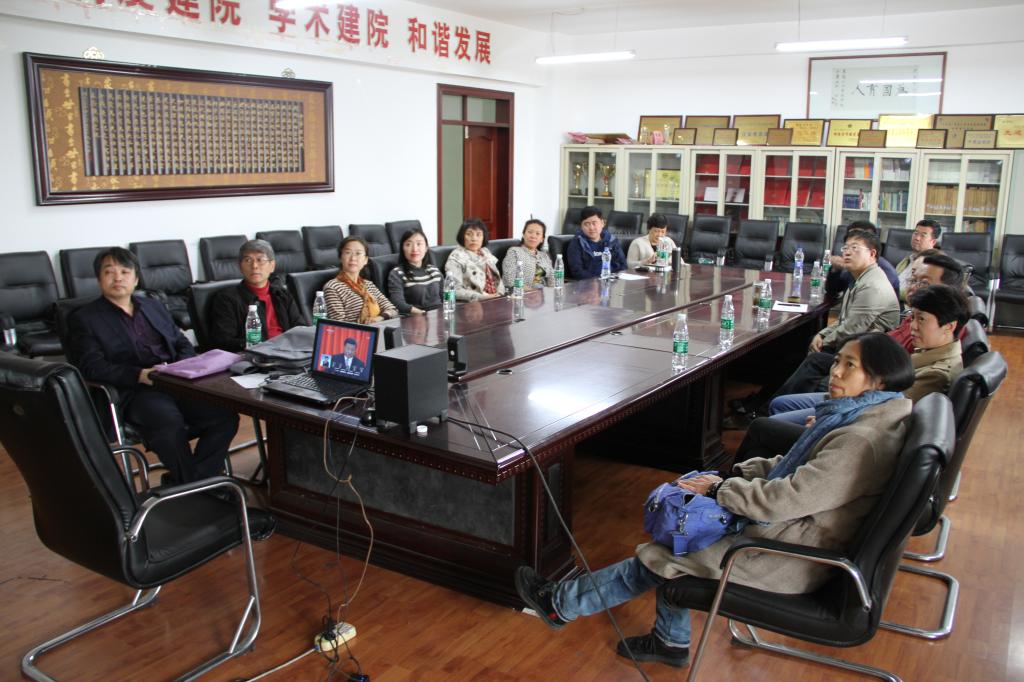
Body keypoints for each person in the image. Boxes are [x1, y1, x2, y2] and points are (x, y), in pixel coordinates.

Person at [516, 333, 914, 668]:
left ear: (877, 380)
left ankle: (559, 604)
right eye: (838, 361)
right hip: (793, 534)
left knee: (670, 551)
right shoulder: (861, 417)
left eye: (849, 366)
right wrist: (731, 474)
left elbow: (783, 499)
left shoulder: (859, 441)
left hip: (790, 555)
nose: (835, 371)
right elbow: (792, 470)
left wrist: (719, 490)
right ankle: (668, 640)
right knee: (679, 537)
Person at [68, 248, 240, 486]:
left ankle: (188, 482)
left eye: (125, 272)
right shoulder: (85, 318)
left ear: (136, 279)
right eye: (109, 272)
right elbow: (91, 367)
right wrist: (139, 375)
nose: (118, 278)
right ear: (99, 279)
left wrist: (182, 366)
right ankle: (198, 485)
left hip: (175, 381)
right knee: (168, 423)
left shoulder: (152, 306)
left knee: (224, 416)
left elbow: (181, 343)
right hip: (135, 390)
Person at [769, 284, 967, 424]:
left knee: (773, 420)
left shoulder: (937, 374)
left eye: (921, 320)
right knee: (780, 403)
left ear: (949, 326)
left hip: (854, 412)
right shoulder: (931, 350)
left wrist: (829, 421)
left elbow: (884, 412)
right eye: (912, 318)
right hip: (854, 398)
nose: (913, 326)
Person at [209, 239, 304, 351]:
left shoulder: (282, 294)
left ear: (272, 266)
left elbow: (299, 327)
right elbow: (223, 340)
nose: (254, 266)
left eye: (260, 260)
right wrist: (259, 345)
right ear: (240, 266)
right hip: (255, 355)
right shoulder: (226, 299)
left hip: (290, 351)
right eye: (248, 260)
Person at [324, 236, 398, 323]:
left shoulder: (368, 284)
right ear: (340, 258)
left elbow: (393, 310)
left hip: (377, 327)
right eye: (348, 253)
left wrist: (379, 318)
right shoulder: (333, 287)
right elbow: (339, 325)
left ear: (365, 260)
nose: (353, 258)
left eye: (358, 253)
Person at [824, 220, 900, 298]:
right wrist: (835, 270)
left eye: (855, 246)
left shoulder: (885, 272)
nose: (848, 252)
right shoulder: (854, 265)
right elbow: (832, 290)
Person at [445, 218, 506, 301]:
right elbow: (454, 289)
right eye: (469, 234)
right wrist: (482, 297)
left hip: (496, 299)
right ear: (462, 236)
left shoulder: (485, 252)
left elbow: (498, 279)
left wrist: (500, 295)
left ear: (483, 237)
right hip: (474, 303)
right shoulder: (456, 257)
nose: (474, 238)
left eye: (478, 234)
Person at [387, 228, 443, 314]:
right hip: (415, 317)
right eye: (408, 244)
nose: (414, 249)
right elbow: (397, 303)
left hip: (439, 315)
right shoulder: (397, 273)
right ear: (402, 249)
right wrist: (422, 314)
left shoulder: (434, 270)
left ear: (426, 248)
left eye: (419, 244)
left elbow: (446, 297)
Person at [565, 206, 626, 280]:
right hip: (588, 284)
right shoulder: (577, 243)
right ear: (581, 226)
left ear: (602, 223)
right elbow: (577, 272)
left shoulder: (611, 241)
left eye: (594, 223)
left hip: (612, 281)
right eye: (586, 224)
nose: (591, 228)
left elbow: (623, 265)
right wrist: (595, 281)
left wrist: (615, 278)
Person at [502, 218, 555, 288]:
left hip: (544, 292)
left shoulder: (544, 256)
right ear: (523, 234)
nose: (533, 236)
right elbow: (509, 280)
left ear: (542, 239)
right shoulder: (514, 252)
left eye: (538, 233)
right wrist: (531, 291)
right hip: (522, 292)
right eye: (530, 232)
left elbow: (552, 279)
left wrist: (553, 292)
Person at [896, 220, 941, 300]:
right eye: (916, 233)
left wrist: (892, 292)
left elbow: (920, 294)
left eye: (923, 235)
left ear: (933, 242)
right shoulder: (906, 260)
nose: (917, 238)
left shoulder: (933, 265)